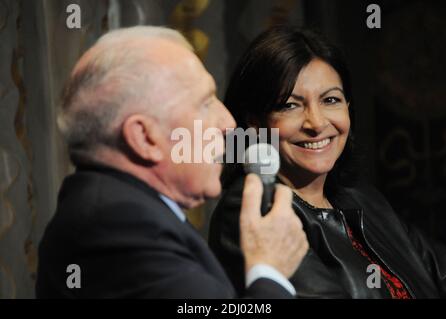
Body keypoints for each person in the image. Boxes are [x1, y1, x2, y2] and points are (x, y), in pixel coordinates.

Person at [35, 26, 309, 298]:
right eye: (205, 103)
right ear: (144, 138)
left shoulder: (124, 213)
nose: (228, 123)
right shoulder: (119, 228)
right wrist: (270, 271)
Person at [209, 25, 446, 298]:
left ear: (348, 107)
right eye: (290, 105)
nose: (317, 123)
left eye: (331, 100)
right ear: (255, 123)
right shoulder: (253, 209)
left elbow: (441, 271)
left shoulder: (359, 198)